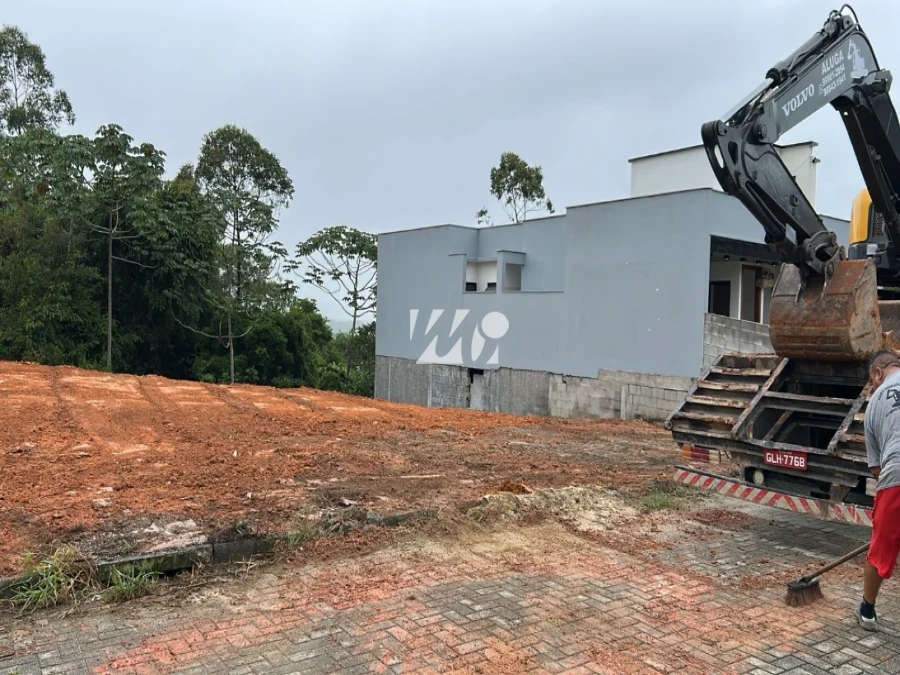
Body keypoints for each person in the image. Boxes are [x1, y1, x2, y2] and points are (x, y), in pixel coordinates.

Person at [858, 349, 900, 631]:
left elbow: (876, 470)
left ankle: (867, 609)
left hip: (896, 474)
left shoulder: (874, 404)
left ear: (878, 373)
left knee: (880, 548)